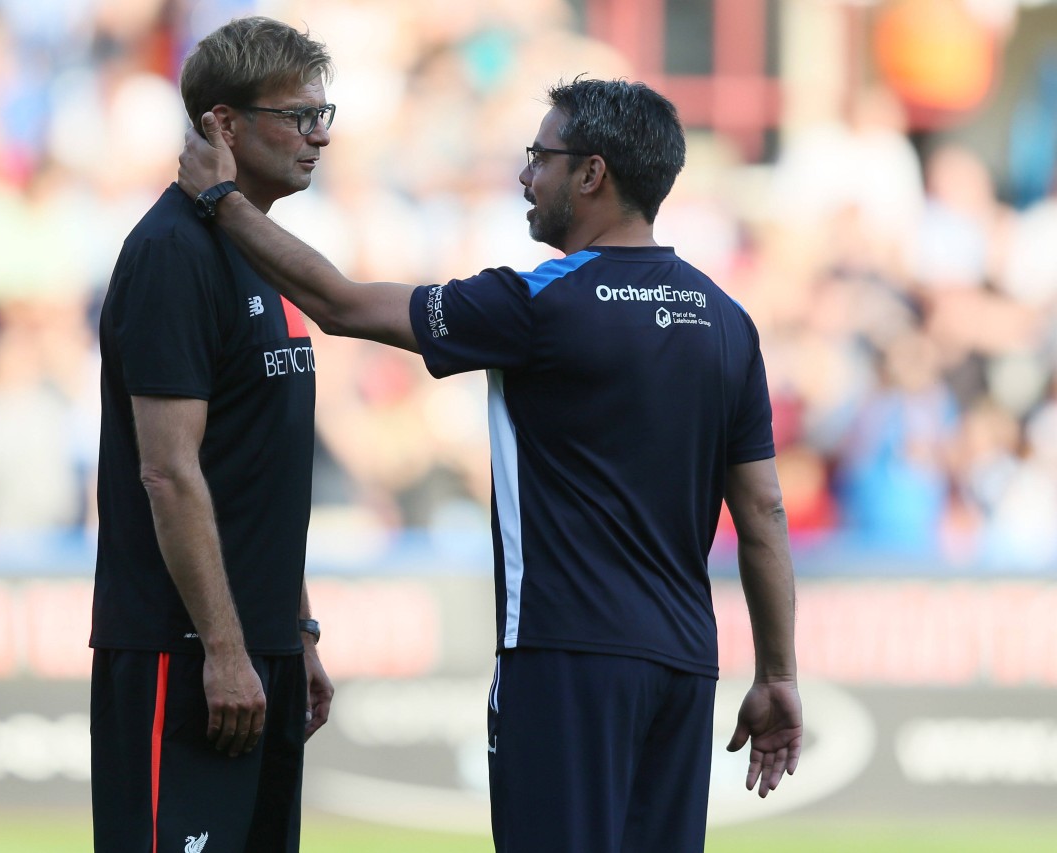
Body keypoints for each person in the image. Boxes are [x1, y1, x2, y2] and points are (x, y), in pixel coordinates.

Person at [178, 76, 802, 852]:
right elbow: (765, 515)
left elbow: (339, 304)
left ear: (592, 173)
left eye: (539, 156)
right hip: (685, 665)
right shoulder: (728, 321)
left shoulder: (540, 305)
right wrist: (778, 673)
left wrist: (221, 201)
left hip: (563, 658)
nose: (524, 176)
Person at [90, 17, 335, 853]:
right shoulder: (171, 252)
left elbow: (259, 466)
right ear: (223, 125)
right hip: (187, 652)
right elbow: (169, 472)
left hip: (256, 648)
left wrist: (292, 631)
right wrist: (226, 650)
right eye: (299, 116)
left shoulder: (253, 243)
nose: (320, 135)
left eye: (324, 114)